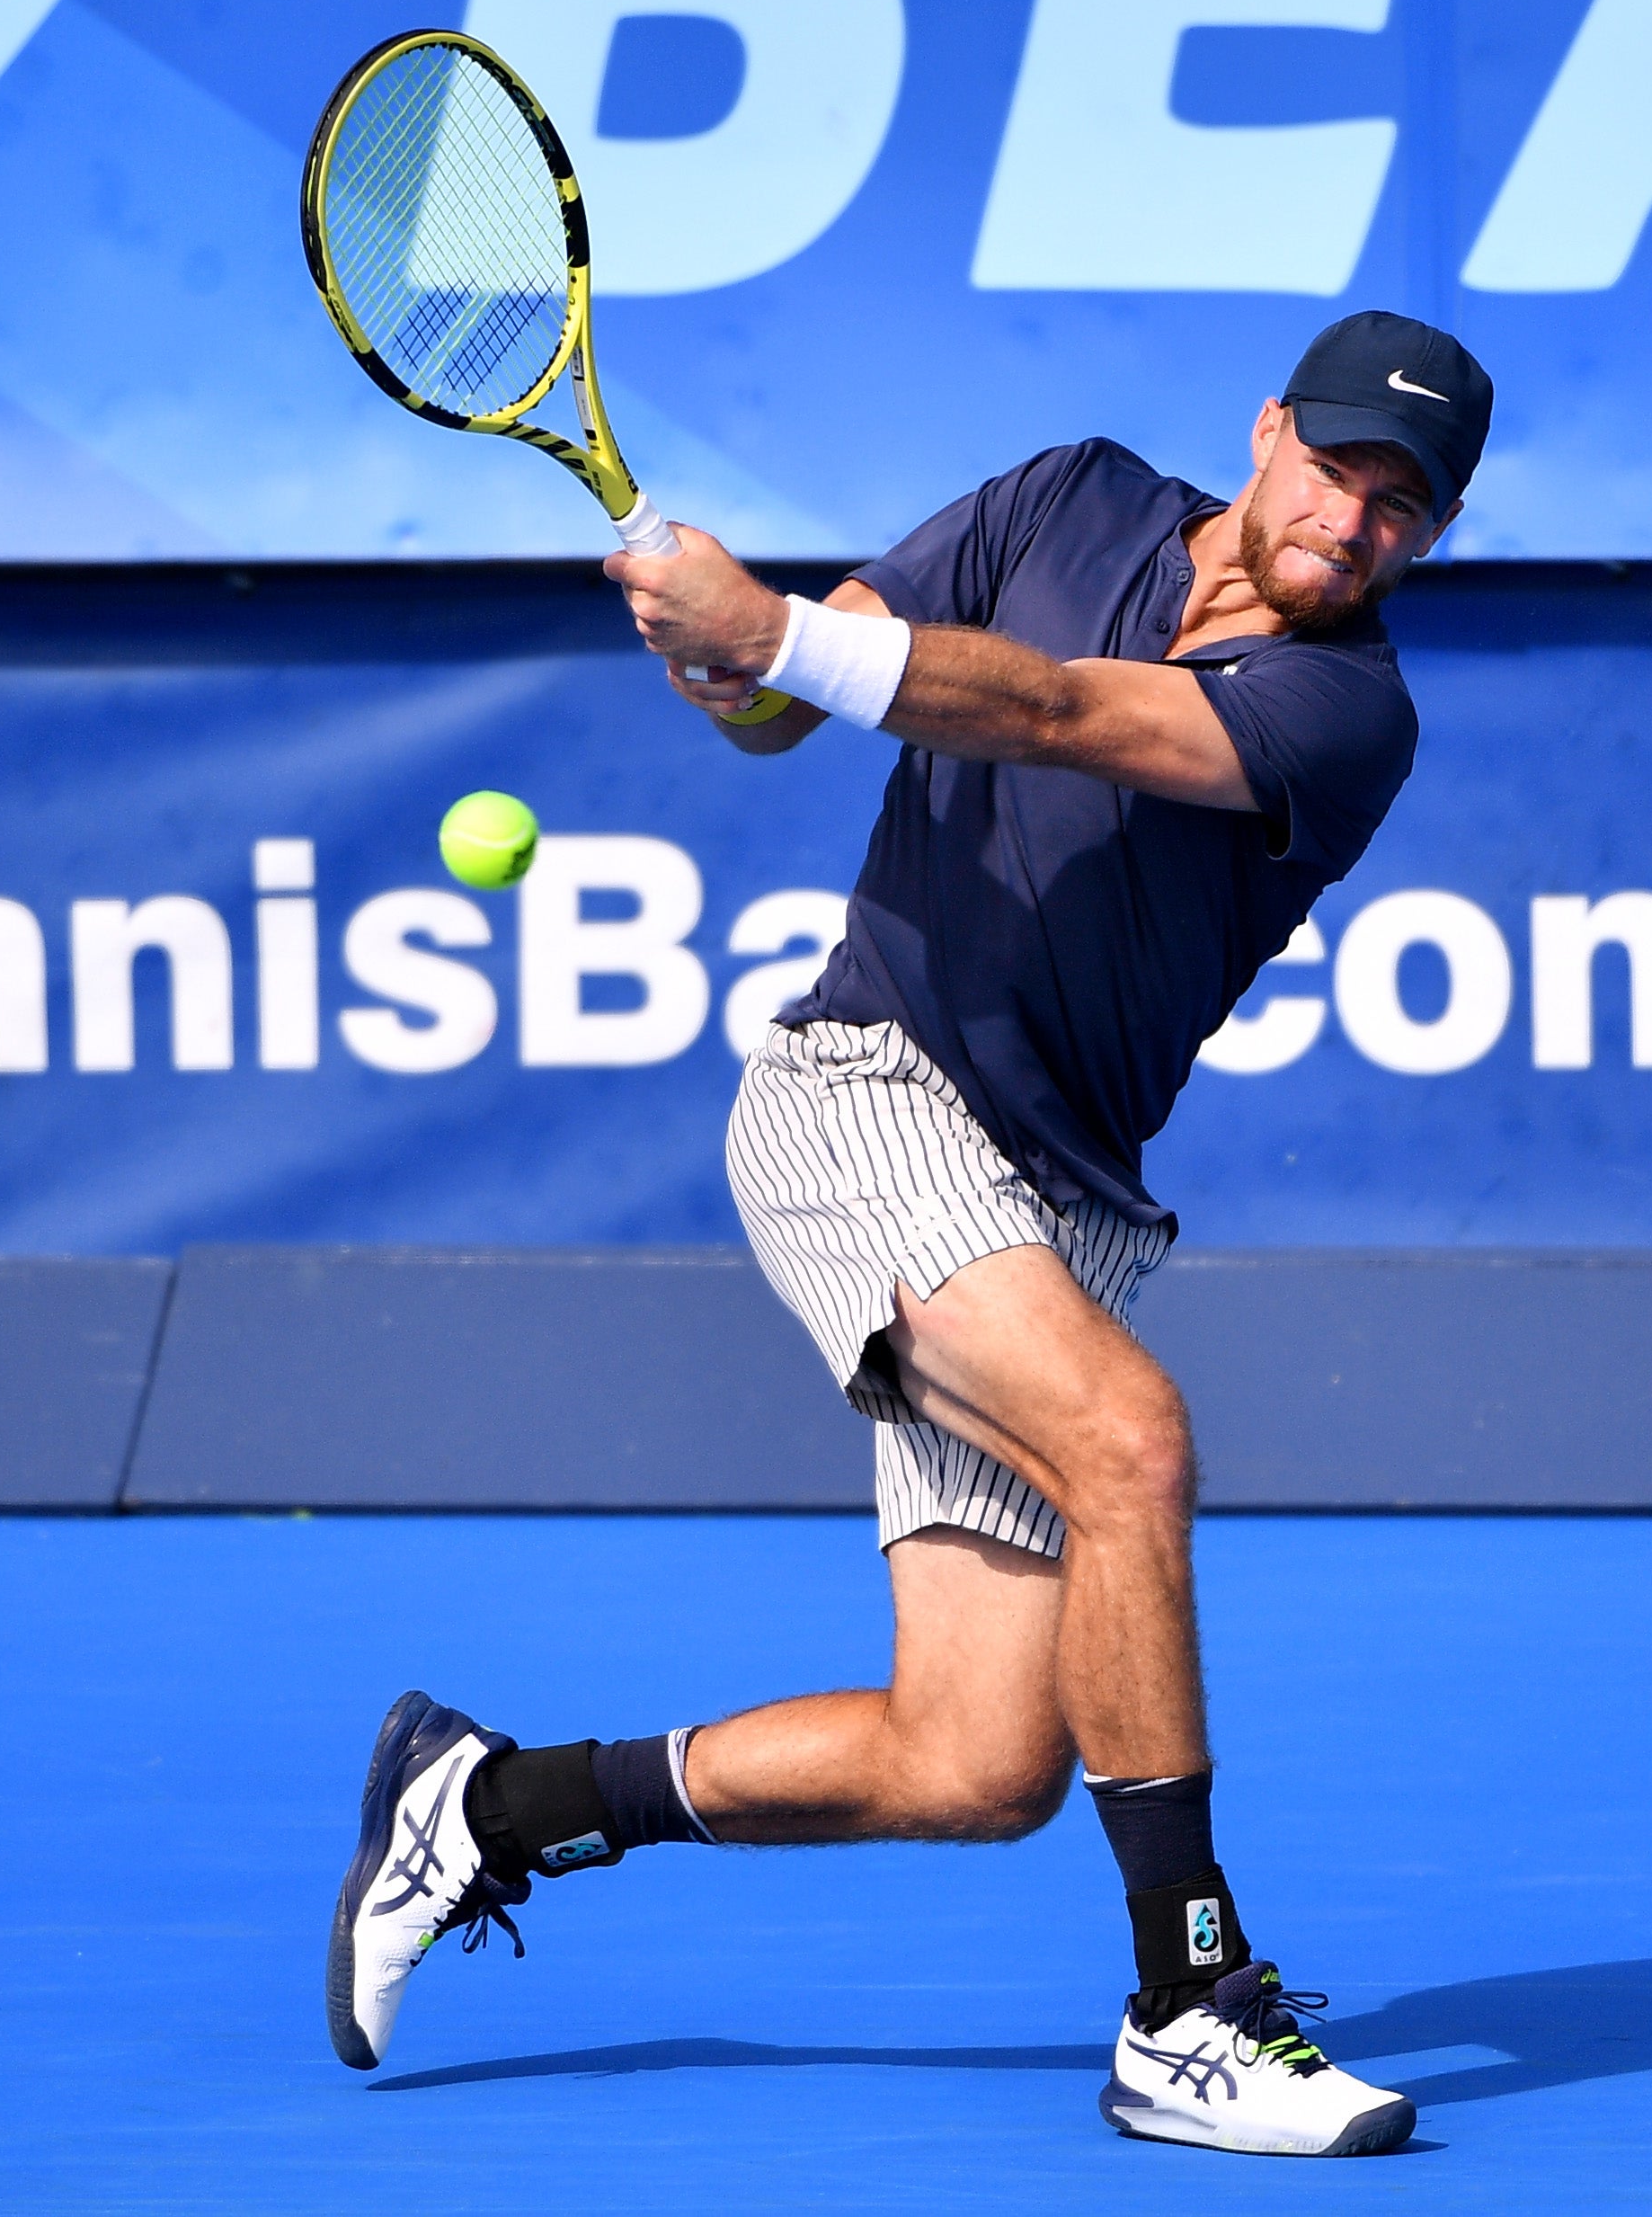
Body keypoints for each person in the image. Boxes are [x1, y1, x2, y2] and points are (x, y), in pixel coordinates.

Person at [325, 310, 1493, 2159]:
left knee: (979, 1762)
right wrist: (730, 660)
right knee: (1130, 1441)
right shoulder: (1066, 500)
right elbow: (792, 710)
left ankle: (490, 1805)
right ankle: (1188, 2004)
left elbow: (1054, 714)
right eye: (1337, 469)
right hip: (864, 1092)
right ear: (1266, 429)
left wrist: (772, 631)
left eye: (1400, 511)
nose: (1352, 524)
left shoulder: (1350, 712)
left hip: (1068, 1198)